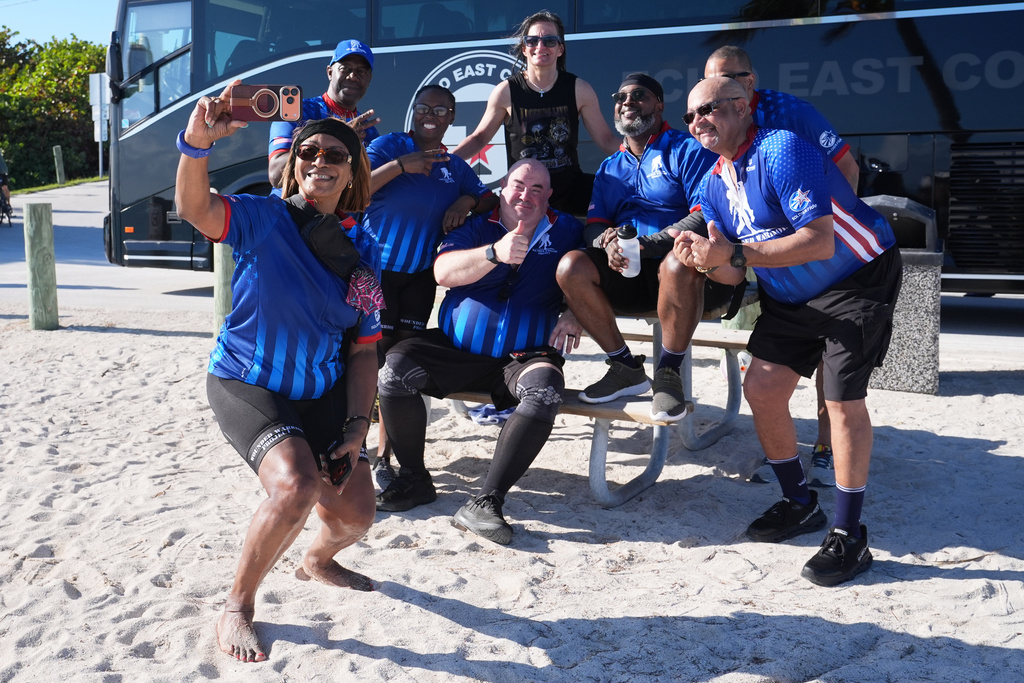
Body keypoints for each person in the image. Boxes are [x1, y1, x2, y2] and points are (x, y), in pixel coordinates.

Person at [175, 83, 383, 662]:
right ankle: (238, 604)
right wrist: (196, 145)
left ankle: (316, 561)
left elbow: (364, 352)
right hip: (248, 380)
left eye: (334, 156)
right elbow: (195, 209)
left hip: (320, 391)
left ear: (351, 175)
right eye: (308, 153)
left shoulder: (364, 255)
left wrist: (356, 428)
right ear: (293, 167)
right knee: (296, 485)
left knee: (357, 513)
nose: (320, 161)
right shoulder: (263, 218)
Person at [676, 77, 901, 586]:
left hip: (857, 276)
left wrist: (731, 255)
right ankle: (800, 504)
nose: (697, 123)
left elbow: (820, 242)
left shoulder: (781, 149)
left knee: (843, 402)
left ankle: (848, 536)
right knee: (762, 387)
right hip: (789, 293)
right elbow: (733, 271)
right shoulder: (712, 182)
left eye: (707, 110)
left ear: (741, 107)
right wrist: (706, 263)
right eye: (690, 116)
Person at [375, 159, 584, 545]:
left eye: (538, 188)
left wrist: (575, 310)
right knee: (393, 370)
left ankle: (487, 501)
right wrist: (495, 253)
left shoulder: (568, 229)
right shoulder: (475, 226)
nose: (527, 195)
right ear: (503, 188)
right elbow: (443, 272)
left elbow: (592, 274)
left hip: (524, 357)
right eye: (520, 185)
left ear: (550, 195)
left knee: (545, 392)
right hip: (458, 352)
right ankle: (414, 479)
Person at [706, 45, 862, 486]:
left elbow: (847, 170)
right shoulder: (715, 123)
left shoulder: (792, 115)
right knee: (769, 369)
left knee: (832, 371)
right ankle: (783, 461)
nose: (711, 101)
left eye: (726, 83)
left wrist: (821, 240)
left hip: (823, 260)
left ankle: (827, 452)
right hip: (769, 264)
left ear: (748, 83)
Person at [556, 72, 728, 421]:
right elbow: (594, 226)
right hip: (626, 272)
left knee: (679, 262)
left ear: (659, 106)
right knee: (570, 266)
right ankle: (623, 366)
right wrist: (605, 242)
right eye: (620, 97)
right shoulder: (608, 167)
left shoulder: (687, 149)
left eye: (640, 95)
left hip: (681, 275)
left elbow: (704, 214)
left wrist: (648, 245)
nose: (627, 102)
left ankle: (668, 373)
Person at [362, 84, 497, 486]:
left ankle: (389, 459)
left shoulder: (452, 166)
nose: (431, 116)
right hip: (376, 274)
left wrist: (466, 202)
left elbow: (488, 199)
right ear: (413, 110)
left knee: (398, 368)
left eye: (441, 111)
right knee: (372, 365)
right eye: (424, 108)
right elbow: (354, 189)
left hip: (420, 278)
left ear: (452, 118)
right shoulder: (389, 146)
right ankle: (363, 454)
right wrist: (401, 166)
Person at [452, 11, 618, 216]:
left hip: (569, 191)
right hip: (524, 197)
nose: (540, 46)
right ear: (524, 48)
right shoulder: (506, 91)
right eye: (532, 40)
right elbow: (479, 138)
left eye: (549, 40)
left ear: (560, 49)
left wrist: (641, 161)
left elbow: (606, 139)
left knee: (619, 193)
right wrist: (445, 163)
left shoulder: (579, 89)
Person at [268, 38, 381, 189]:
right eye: (345, 68)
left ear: (369, 80)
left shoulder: (369, 131)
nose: (353, 76)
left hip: (338, 212)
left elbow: (365, 188)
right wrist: (339, 136)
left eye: (361, 71)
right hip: (290, 210)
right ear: (329, 72)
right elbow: (276, 175)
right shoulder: (297, 111)